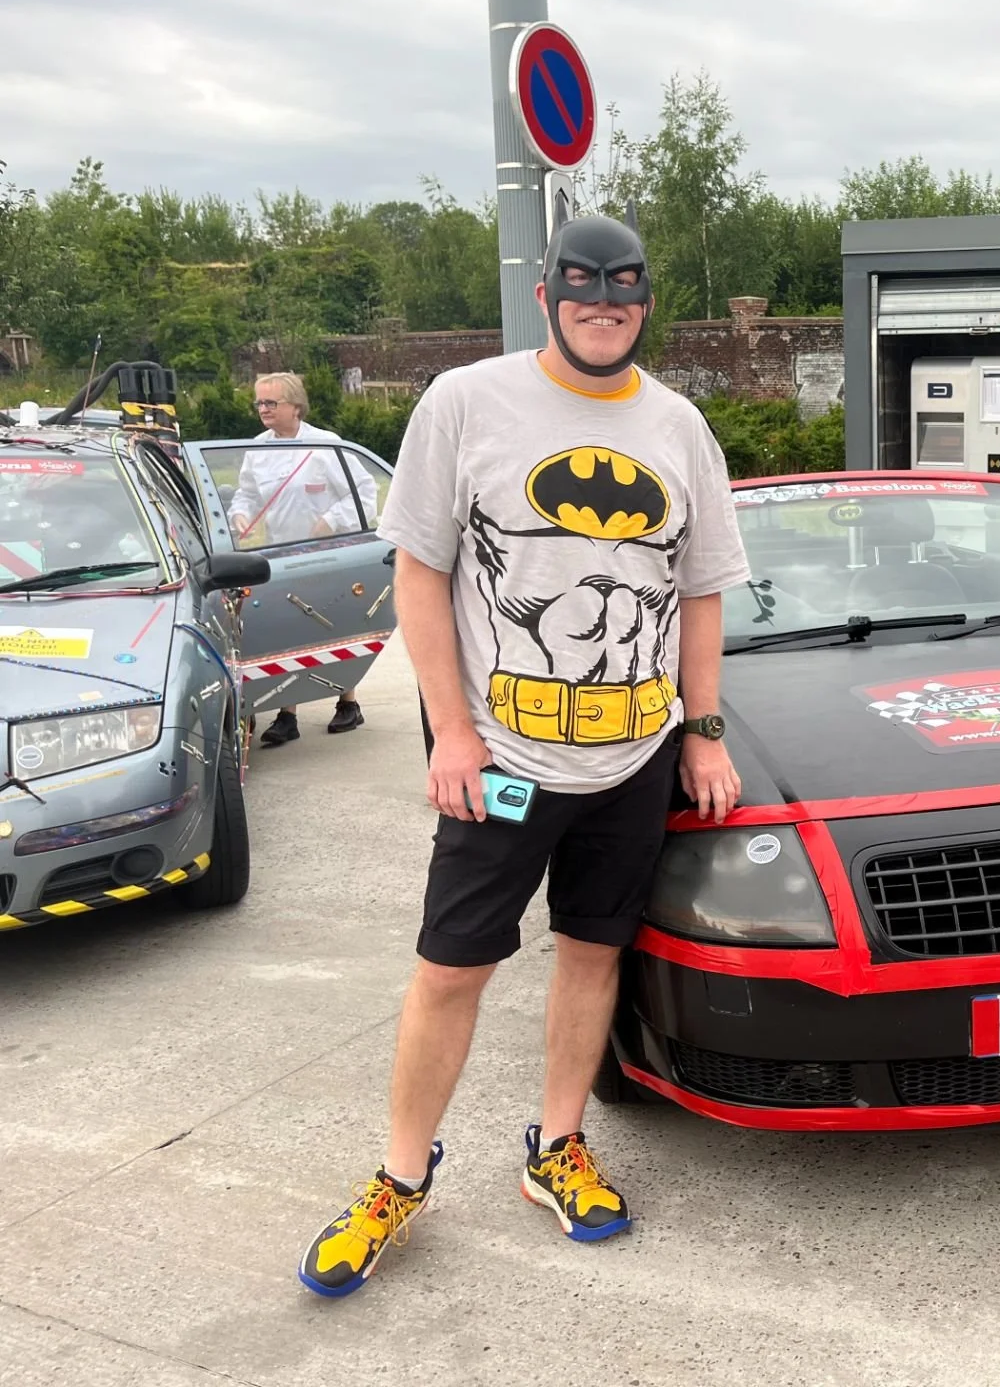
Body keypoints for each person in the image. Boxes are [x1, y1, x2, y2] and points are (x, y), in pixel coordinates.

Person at [298, 214, 750, 1298]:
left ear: (647, 301)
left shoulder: (680, 426)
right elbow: (419, 577)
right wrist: (450, 730)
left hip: (634, 758)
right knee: (453, 966)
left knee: (593, 955)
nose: (607, 301)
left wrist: (703, 733)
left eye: (628, 285)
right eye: (585, 283)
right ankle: (401, 1178)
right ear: (549, 293)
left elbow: (698, 595)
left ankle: (556, 1149)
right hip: (503, 755)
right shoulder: (467, 402)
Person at [230, 372, 379, 745]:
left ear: (295, 406)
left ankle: (348, 702)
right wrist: (239, 515)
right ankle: (287, 713)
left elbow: (364, 491)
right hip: (280, 557)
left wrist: (330, 522)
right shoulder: (258, 449)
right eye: (259, 403)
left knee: (335, 625)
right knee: (287, 631)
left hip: (329, 555)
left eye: (271, 403)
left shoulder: (325, 446)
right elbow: (246, 495)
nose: (263, 409)